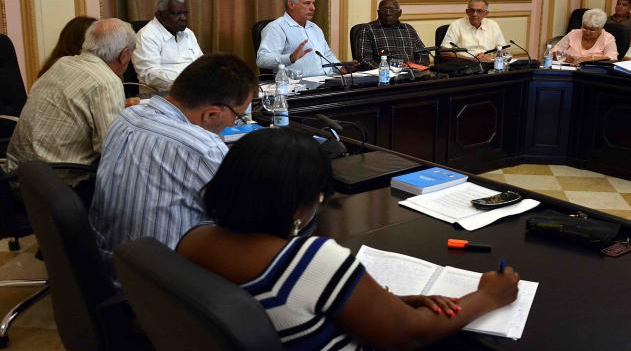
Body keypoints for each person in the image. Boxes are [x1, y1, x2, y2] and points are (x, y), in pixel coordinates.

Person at [177, 128, 520, 349]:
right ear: (300, 205)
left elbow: (296, 302)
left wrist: (391, 302)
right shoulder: (310, 260)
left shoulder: (193, 239)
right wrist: (489, 296)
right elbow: (413, 333)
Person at [89, 54, 257, 272]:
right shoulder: (201, 148)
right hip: (162, 283)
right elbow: (246, 218)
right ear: (211, 114)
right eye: (238, 116)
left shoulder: (126, 117)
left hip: (109, 261)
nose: (234, 123)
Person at [5, 18, 135, 185]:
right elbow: (111, 149)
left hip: (16, 179)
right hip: (58, 187)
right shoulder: (107, 81)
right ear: (124, 55)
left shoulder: (62, 64)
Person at [257, 0, 342, 77]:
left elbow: (327, 55)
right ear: (291, 4)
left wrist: (341, 68)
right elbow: (262, 59)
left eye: (313, 3)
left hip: (328, 81)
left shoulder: (315, 28)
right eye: (307, 3)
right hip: (298, 86)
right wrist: (290, 58)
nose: (313, 8)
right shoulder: (276, 27)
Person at [132, 0, 203, 91]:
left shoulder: (188, 33)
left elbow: (200, 63)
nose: (183, 18)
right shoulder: (147, 35)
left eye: (185, 13)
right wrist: (185, 83)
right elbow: (149, 74)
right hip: (164, 94)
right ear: (159, 15)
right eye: (177, 14)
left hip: (195, 89)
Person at [354, 0, 429, 69]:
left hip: (411, 73)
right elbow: (364, 59)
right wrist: (384, 70)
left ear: (399, 13)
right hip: (384, 75)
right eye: (384, 9)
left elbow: (423, 53)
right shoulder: (367, 29)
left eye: (392, 10)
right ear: (378, 12)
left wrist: (417, 69)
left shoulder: (408, 28)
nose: (388, 13)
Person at [441, 0, 507, 62]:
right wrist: (472, 59)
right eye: (472, 10)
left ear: (486, 13)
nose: (475, 14)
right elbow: (444, 51)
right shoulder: (456, 25)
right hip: (465, 64)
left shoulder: (493, 25)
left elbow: (503, 49)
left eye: (479, 11)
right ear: (467, 12)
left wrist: (492, 56)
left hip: (489, 63)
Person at [554, 8, 618, 64]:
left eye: (592, 30)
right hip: (568, 70)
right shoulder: (573, 33)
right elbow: (553, 51)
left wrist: (589, 59)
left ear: (600, 28)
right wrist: (563, 57)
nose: (587, 32)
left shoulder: (608, 38)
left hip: (592, 74)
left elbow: (612, 58)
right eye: (585, 28)